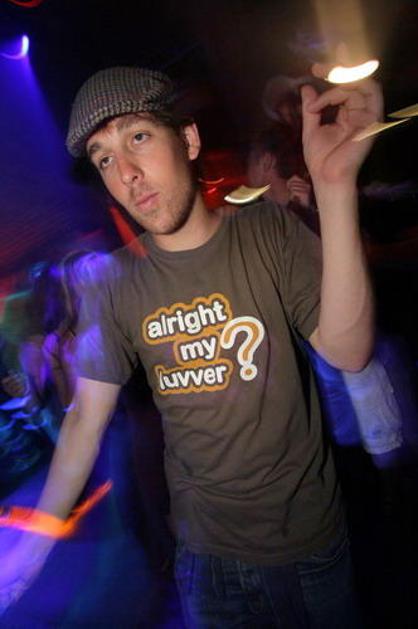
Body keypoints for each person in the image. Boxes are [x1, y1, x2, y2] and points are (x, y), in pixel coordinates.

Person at [0, 64, 382, 627]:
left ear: (188, 139)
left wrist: (334, 186)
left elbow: (349, 352)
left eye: (138, 137)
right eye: (104, 159)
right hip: (205, 562)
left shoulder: (265, 232)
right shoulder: (115, 284)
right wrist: (33, 549)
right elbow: (84, 420)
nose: (127, 173)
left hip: (308, 548)